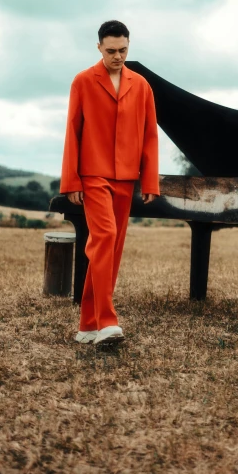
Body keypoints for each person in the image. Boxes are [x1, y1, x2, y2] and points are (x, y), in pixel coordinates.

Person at [59, 20, 160, 347]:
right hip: (93, 175)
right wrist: (71, 180)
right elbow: (72, 131)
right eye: (112, 51)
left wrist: (150, 180)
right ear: (99, 48)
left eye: (124, 50)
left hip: (127, 177)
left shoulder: (142, 85)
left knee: (111, 251)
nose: (118, 56)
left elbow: (150, 136)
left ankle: (87, 325)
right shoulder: (83, 81)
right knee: (104, 237)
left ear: (129, 46)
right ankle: (107, 320)